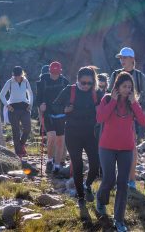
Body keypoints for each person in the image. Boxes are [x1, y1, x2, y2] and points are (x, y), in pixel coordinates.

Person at [96, 72, 145, 232]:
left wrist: (135, 103)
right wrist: (112, 100)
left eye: (130, 87)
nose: (127, 90)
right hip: (106, 147)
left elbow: (144, 122)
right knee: (109, 179)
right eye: (124, 86)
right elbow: (100, 118)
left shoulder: (133, 103)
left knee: (123, 184)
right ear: (117, 87)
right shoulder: (106, 98)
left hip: (126, 149)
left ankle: (119, 220)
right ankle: (100, 200)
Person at [53, 66, 103, 216]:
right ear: (77, 80)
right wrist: (64, 110)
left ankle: (87, 185)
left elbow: (107, 108)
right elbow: (55, 106)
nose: (86, 86)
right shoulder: (70, 90)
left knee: (95, 164)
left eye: (89, 83)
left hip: (91, 134)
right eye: (83, 83)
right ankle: (81, 197)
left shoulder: (97, 92)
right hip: (73, 133)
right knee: (78, 165)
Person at [108, 47, 145, 190]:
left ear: (132, 59)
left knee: (131, 147)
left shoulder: (139, 76)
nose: (122, 61)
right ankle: (119, 178)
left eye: (125, 58)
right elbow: (109, 94)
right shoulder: (115, 74)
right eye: (121, 58)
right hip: (116, 116)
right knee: (114, 145)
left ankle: (131, 179)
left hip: (132, 116)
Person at [36, 61, 69, 174]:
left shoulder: (65, 82)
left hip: (61, 114)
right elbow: (38, 98)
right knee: (52, 136)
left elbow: (69, 98)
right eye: (53, 73)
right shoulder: (42, 82)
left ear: (60, 72)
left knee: (60, 141)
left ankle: (57, 165)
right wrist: (40, 105)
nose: (55, 75)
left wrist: (68, 107)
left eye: (56, 73)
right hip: (48, 113)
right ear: (49, 71)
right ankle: (50, 160)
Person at [0, 66, 34, 161]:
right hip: (13, 109)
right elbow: (2, 95)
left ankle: (21, 145)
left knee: (27, 129)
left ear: (21, 74)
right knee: (16, 131)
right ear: (13, 75)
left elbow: (30, 94)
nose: (17, 77)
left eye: (18, 75)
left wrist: (30, 105)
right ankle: (18, 153)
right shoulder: (9, 82)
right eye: (15, 76)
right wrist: (7, 105)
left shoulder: (26, 81)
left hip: (24, 108)